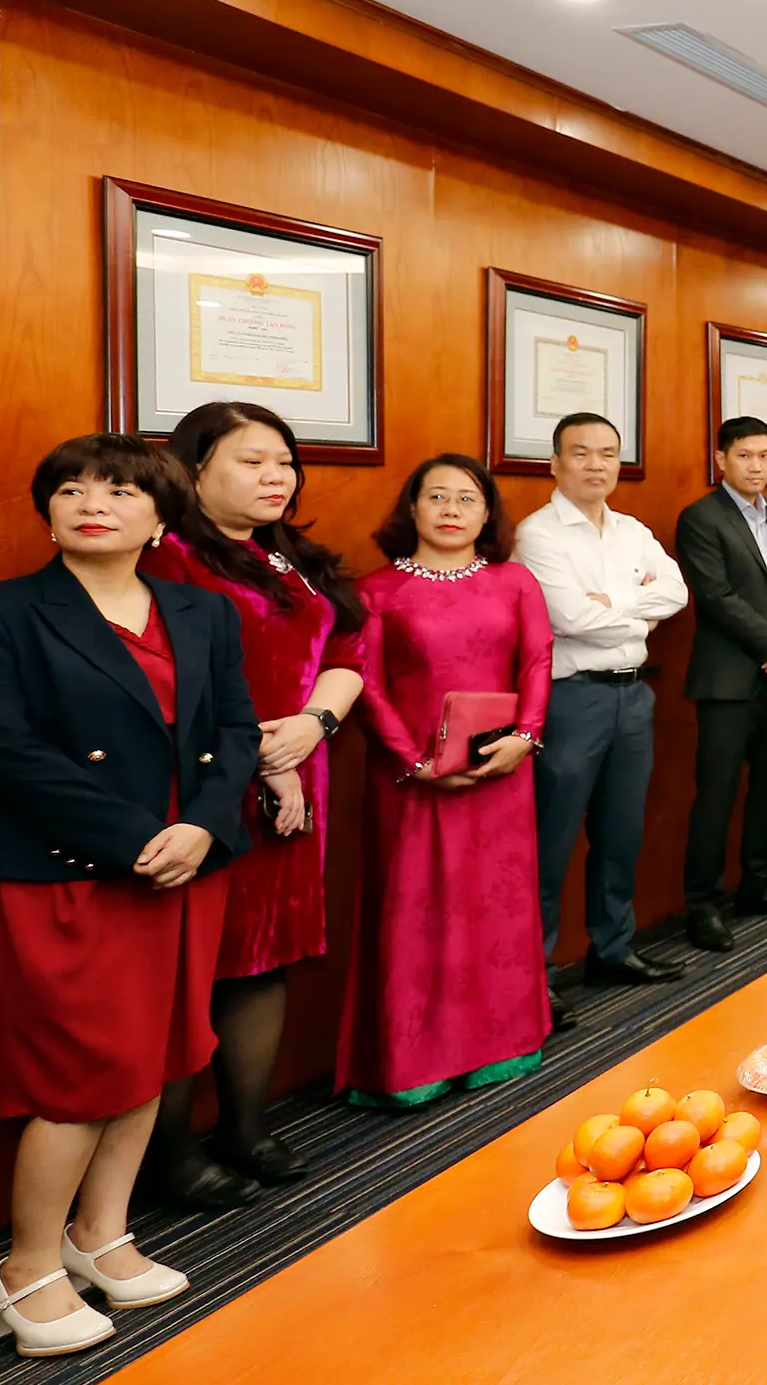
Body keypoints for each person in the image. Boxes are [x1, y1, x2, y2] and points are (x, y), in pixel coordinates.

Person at [0, 435, 256, 1358]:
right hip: (68, 871)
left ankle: (98, 1234)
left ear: (160, 518)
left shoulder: (202, 611)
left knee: (156, 1056)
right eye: (71, 489)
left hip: (185, 865)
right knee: (82, 1075)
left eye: (119, 490)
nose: (92, 504)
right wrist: (136, 841)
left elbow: (236, 729)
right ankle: (24, 1269)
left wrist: (202, 827)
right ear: (47, 511)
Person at [140, 402, 364, 1209]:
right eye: (252, 460)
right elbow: (167, 678)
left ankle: (243, 1125)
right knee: (191, 968)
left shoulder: (287, 555)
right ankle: (167, 1152)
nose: (277, 477)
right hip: (210, 785)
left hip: (299, 775)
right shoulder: (168, 557)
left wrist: (315, 723)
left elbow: (349, 647)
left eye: (284, 461)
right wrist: (266, 756)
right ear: (194, 471)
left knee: (266, 957)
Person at [338, 454, 553, 1108]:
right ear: (412, 509)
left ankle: (500, 1046)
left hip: (500, 770)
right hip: (410, 779)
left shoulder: (515, 581)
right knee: (417, 912)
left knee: (497, 907)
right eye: (436, 496)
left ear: (488, 514)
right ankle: (415, 1064)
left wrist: (526, 737)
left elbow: (537, 659)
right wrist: (413, 761)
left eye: (467, 498)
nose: (451, 509)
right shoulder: (376, 591)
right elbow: (367, 685)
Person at [512, 412, 688, 1009]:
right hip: (572, 699)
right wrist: (639, 612)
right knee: (552, 839)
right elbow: (570, 618)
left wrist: (611, 602)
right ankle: (534, 977)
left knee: (621, 833)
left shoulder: (631, 530)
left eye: (607, 453)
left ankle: (612, 950)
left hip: (633, 696)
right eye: (581, 452)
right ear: (555, 463)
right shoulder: (539, 535)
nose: (596, 464)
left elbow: (677, 592)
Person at [674, 416, 767, 950]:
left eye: (764, 455)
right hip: (728, 681)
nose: (756, 466)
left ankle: (759, 885)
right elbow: (716, 598)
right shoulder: (700, 517)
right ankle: (703, 906)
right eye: (744, 456)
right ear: (721, 459)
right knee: (716, 796)